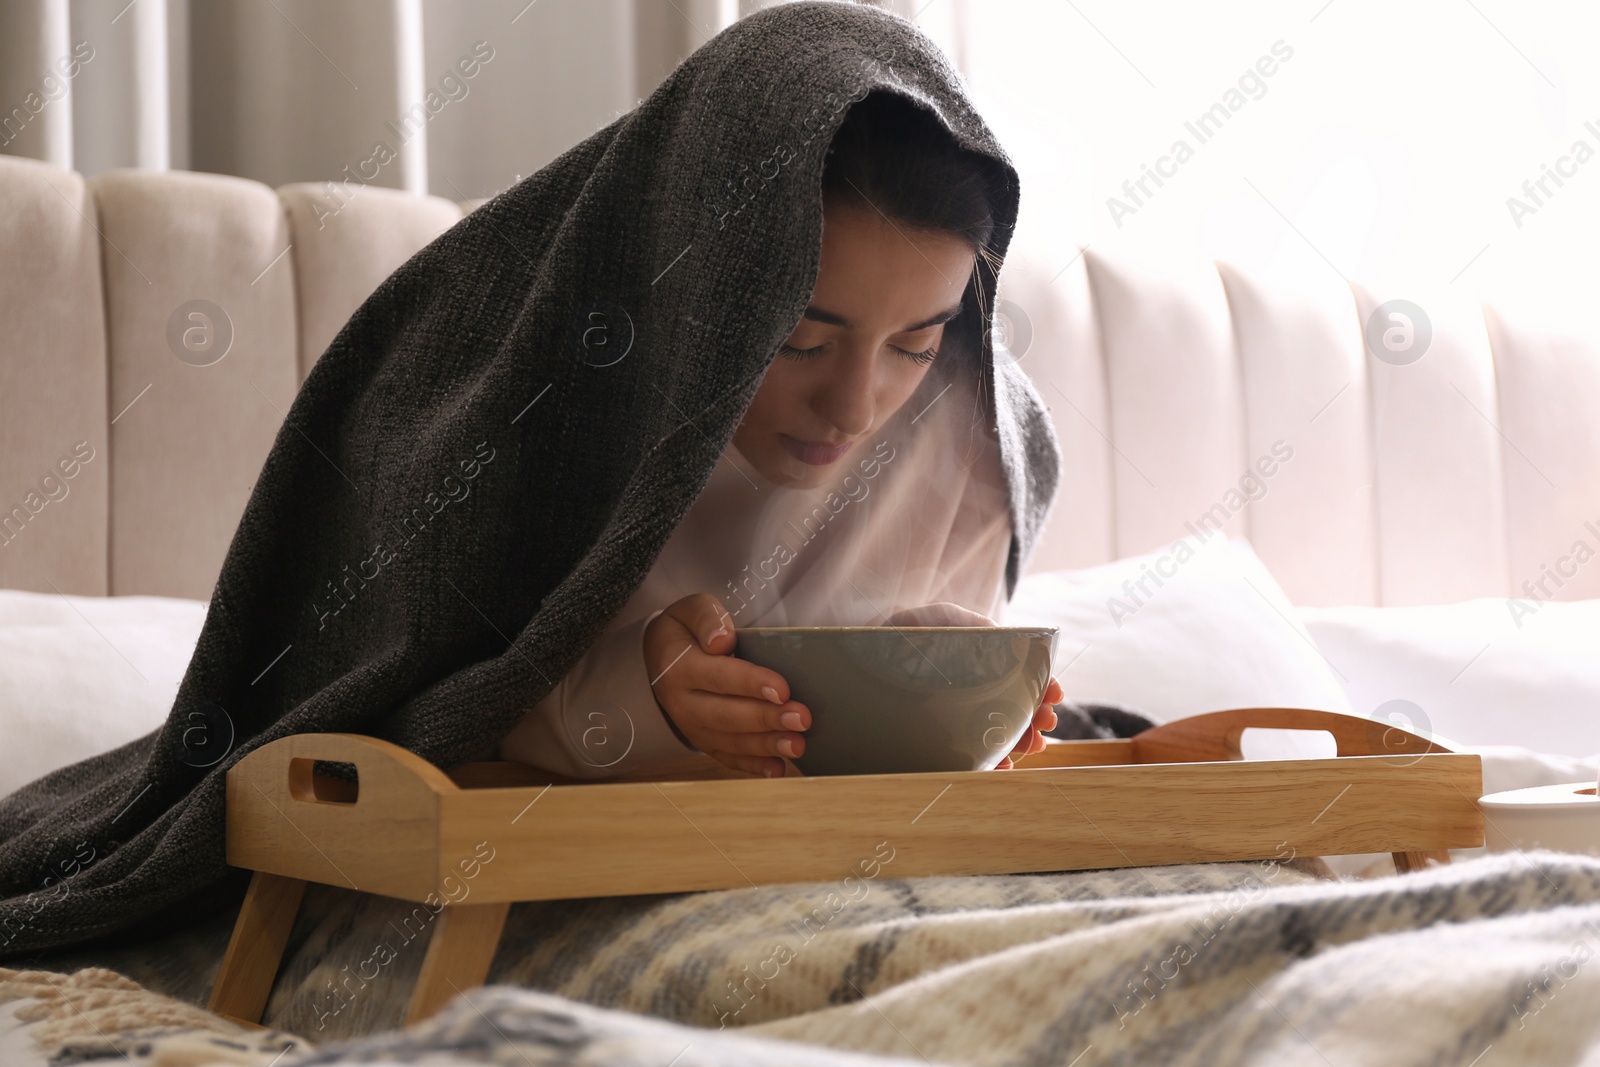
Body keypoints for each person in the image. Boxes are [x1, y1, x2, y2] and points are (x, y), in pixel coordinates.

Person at [497, 92, 1064, 781]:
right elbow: (421, 724)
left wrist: (932, 694)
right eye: (801, 341)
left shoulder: (980, 434)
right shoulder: (546, 412)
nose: (854, 412)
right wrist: (636, 698)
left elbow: (935, 791)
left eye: (915, 343)